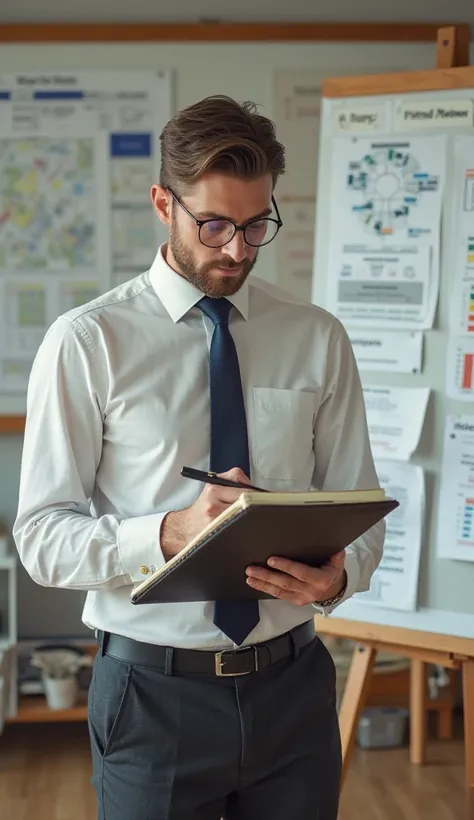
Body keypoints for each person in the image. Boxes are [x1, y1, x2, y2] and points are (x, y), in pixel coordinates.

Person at [14, 94, 385, 820]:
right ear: (163, 203)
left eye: (255, 225)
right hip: (152, 699)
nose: (236, 249)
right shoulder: (88, 341)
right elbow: (40, 539)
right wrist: (167, 534)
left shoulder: (316, 337)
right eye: (213, 224)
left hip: (295, 688)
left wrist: (339, 577)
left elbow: (361, 509)